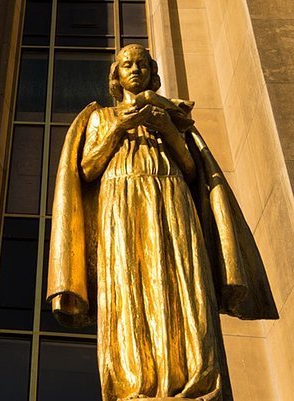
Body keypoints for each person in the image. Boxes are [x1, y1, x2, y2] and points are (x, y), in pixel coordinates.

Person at [47, 44, 278, 401]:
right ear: (117, 75)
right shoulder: (100, 117)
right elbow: (87, 168)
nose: (135, 69)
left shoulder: (169, 116)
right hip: (120, 206)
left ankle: (194, 376)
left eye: (141, 63)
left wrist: (166, 129)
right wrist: (119, 130)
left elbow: (190, 168)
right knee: (129, 287)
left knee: (182, 282)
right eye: (127, 64)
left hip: (170, 200)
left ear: (151, 71)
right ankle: (136, 382)